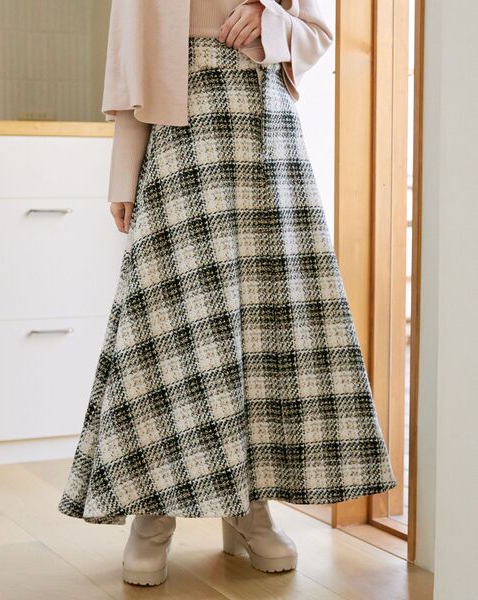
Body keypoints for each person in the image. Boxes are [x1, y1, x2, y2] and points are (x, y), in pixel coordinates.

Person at [58, 0, 398, 587]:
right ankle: (152, 511)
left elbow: (318, 36)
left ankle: (249, 508)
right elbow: (129, 64)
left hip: (266, 133)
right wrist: (123, 172)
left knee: (267, 335)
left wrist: (270, 19)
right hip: (179, 137)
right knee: (168, 330)